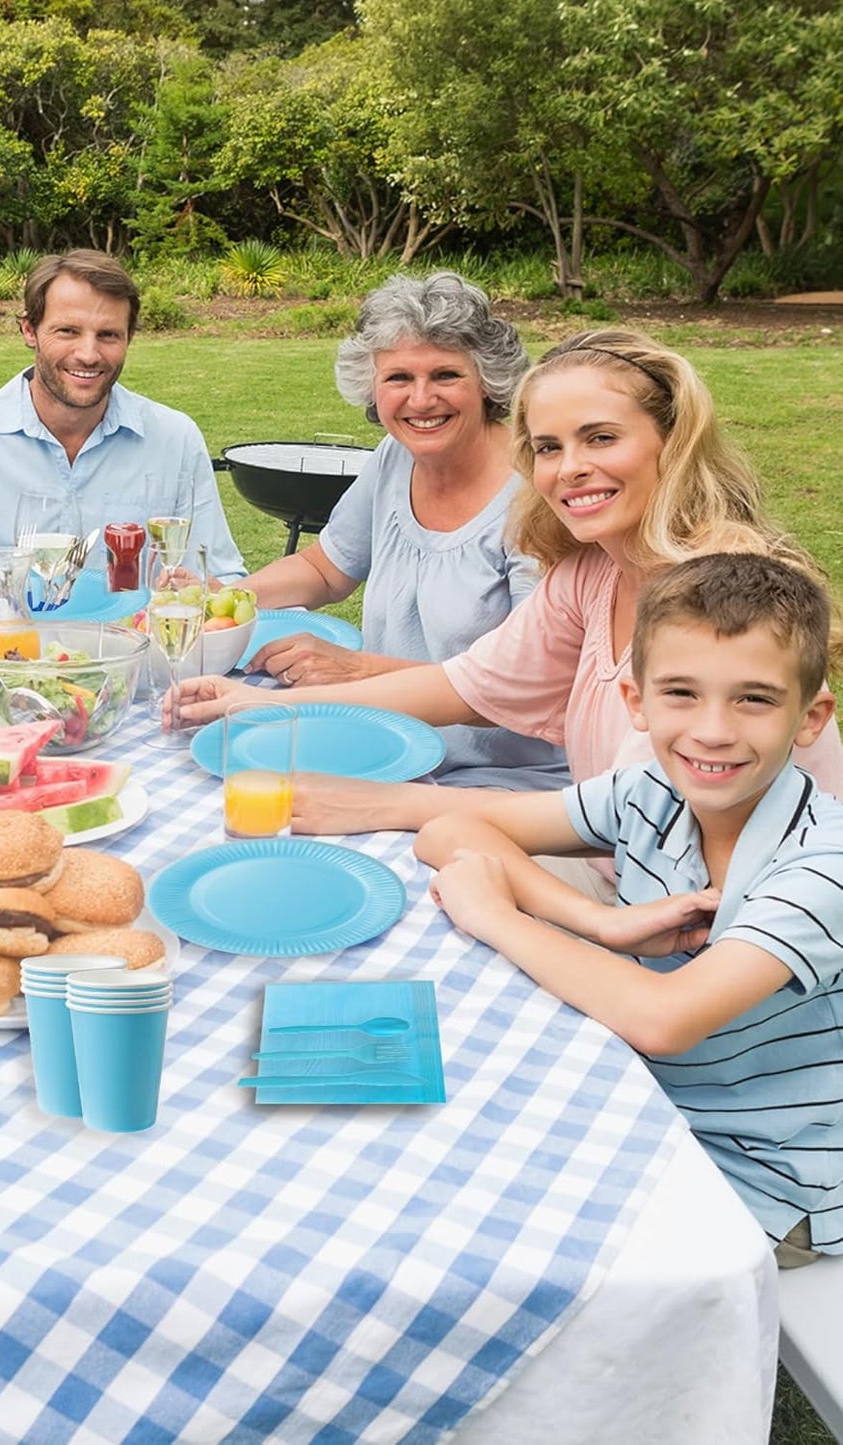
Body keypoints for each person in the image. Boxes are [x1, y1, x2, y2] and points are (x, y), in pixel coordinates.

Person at [176, 329, 843, 832]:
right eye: (548, 448)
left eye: (601, 438)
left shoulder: (720, 603)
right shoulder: (591, 573)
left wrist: (399, 805)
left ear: (671, 441)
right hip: (629, 875)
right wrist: (257, 705)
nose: (568, 468)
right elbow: (464, 682)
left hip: (719, 921)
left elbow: (639, 823)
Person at [416, 553, 843, 1265]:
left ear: (810, 716)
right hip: (645, 1104)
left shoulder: (821, 865)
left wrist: (498, 914)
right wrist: (599, 921)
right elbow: (448, 831)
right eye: (680, 692)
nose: (711, 730)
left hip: (766, 1176)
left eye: (753, 699)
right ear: (636, 702)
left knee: (501, 1248)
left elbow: (662, 1018)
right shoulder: (647, 788)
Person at [242, 271, 567, 790]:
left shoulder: (535, 494)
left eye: (445, 375)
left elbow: (525, 687)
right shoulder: (395, 457)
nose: (420, 400)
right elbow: (324, 570)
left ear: (488, 381)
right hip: (389, 751)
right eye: (398, 378)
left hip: (501, 779)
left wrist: (357, 670)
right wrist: (220, 599)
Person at [0, 249, 246, 582]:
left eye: (108, 335)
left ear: (129, 338)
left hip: (138, 659)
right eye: (67, 331)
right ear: (29, 330)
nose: (88, 353)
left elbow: (218, 579)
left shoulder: (174, 439)